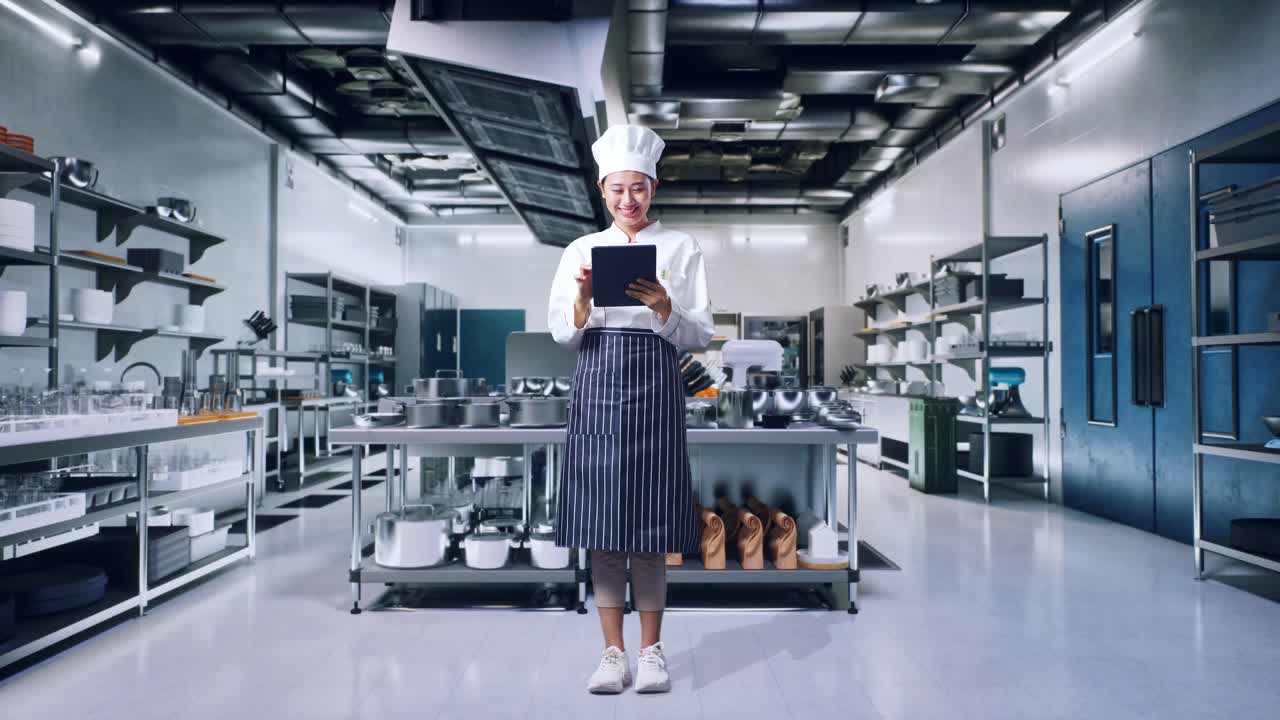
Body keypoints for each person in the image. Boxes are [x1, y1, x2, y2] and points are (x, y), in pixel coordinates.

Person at [547, 125, 714, 694]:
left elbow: (701, 336)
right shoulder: (579, 250)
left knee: (649, 530)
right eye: (618, 189)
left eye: (638, 189)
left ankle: (652, 653)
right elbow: (560, 335)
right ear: (601, 188)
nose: (628, 200)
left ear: (654, 186)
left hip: (657, 393)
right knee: (603, 529)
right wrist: (583, 301)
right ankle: (611, 653)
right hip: (596, 390)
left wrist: (667, 307)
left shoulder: (682, 248)